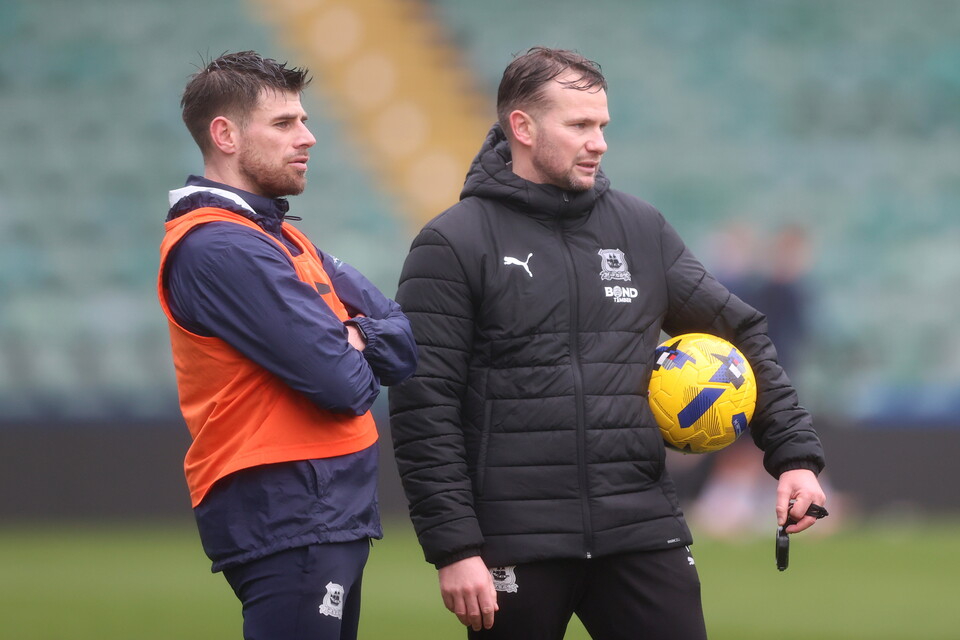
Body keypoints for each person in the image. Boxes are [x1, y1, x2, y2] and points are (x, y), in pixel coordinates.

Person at [388, 47, 827, 640]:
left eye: (601, 126)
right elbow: (424, 406)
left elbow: (740, 329)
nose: (598, 142)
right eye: (579, 126)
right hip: (515, 541)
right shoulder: (453, 242)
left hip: (642, 531)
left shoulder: (639, 228)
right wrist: (454, 547)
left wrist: (794, 457)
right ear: (522, 127)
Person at [156, 51, 418, 640]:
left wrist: (353, 338)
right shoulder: (221, 248)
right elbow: (345, 384)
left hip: (323, 508)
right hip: (288, 507)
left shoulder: (282, 237)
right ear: (224, 135)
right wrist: (350, 339)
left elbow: (401, 345)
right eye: (284, 124)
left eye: (303, 119)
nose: (309, 137)